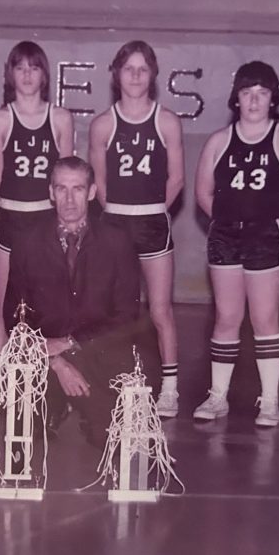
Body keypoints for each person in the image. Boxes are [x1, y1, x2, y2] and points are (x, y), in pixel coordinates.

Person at [193, 61, 279, 423]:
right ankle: (218, 397)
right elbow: (202, 193)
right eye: (247, 94)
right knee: (227, 317)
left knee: (264, 319)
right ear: (237, 99)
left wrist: (274, 225)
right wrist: (229, 221)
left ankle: (270, 399)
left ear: (273, 99)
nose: (255, 101)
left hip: (266, 236)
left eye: (262, 94)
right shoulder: (218, 141)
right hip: (226, 235)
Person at [4, 156, 141, 445]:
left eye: (77, 189)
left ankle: (89, 414)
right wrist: (56, 361)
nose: (69, 199)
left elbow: (127, 315)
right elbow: (14, 317)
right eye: (61, 189)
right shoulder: (27, 242)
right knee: (23, 434)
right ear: (51, 193)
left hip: (97, 353)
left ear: (91, 192)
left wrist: (70, 344)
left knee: (110, 438)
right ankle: (54, 405)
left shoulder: (117, 242)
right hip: (45, 356)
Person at [89, 40, 183, 417]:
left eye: (143, 69)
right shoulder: (103, 124)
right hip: (115, 221)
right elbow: (99, 181)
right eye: (129, 69)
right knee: (118, 311)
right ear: (116, 74)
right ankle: (117, 384)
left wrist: (155, 210)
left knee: (160, 310)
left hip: (153, 221)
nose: (136, 76)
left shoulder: (166, 121)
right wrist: (115, 215)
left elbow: (176, 179)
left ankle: (171, 391)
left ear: (153, 75)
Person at [0, 42, 75, 412]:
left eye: (33, 67)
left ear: (44, 74)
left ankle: (58, 390)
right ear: (10, 74)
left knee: (55, 307)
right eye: (19, 67)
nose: (26, 74)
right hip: (12, 219)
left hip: (48, 220)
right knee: (2, 306)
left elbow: (67, 177)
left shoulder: (61, 118)